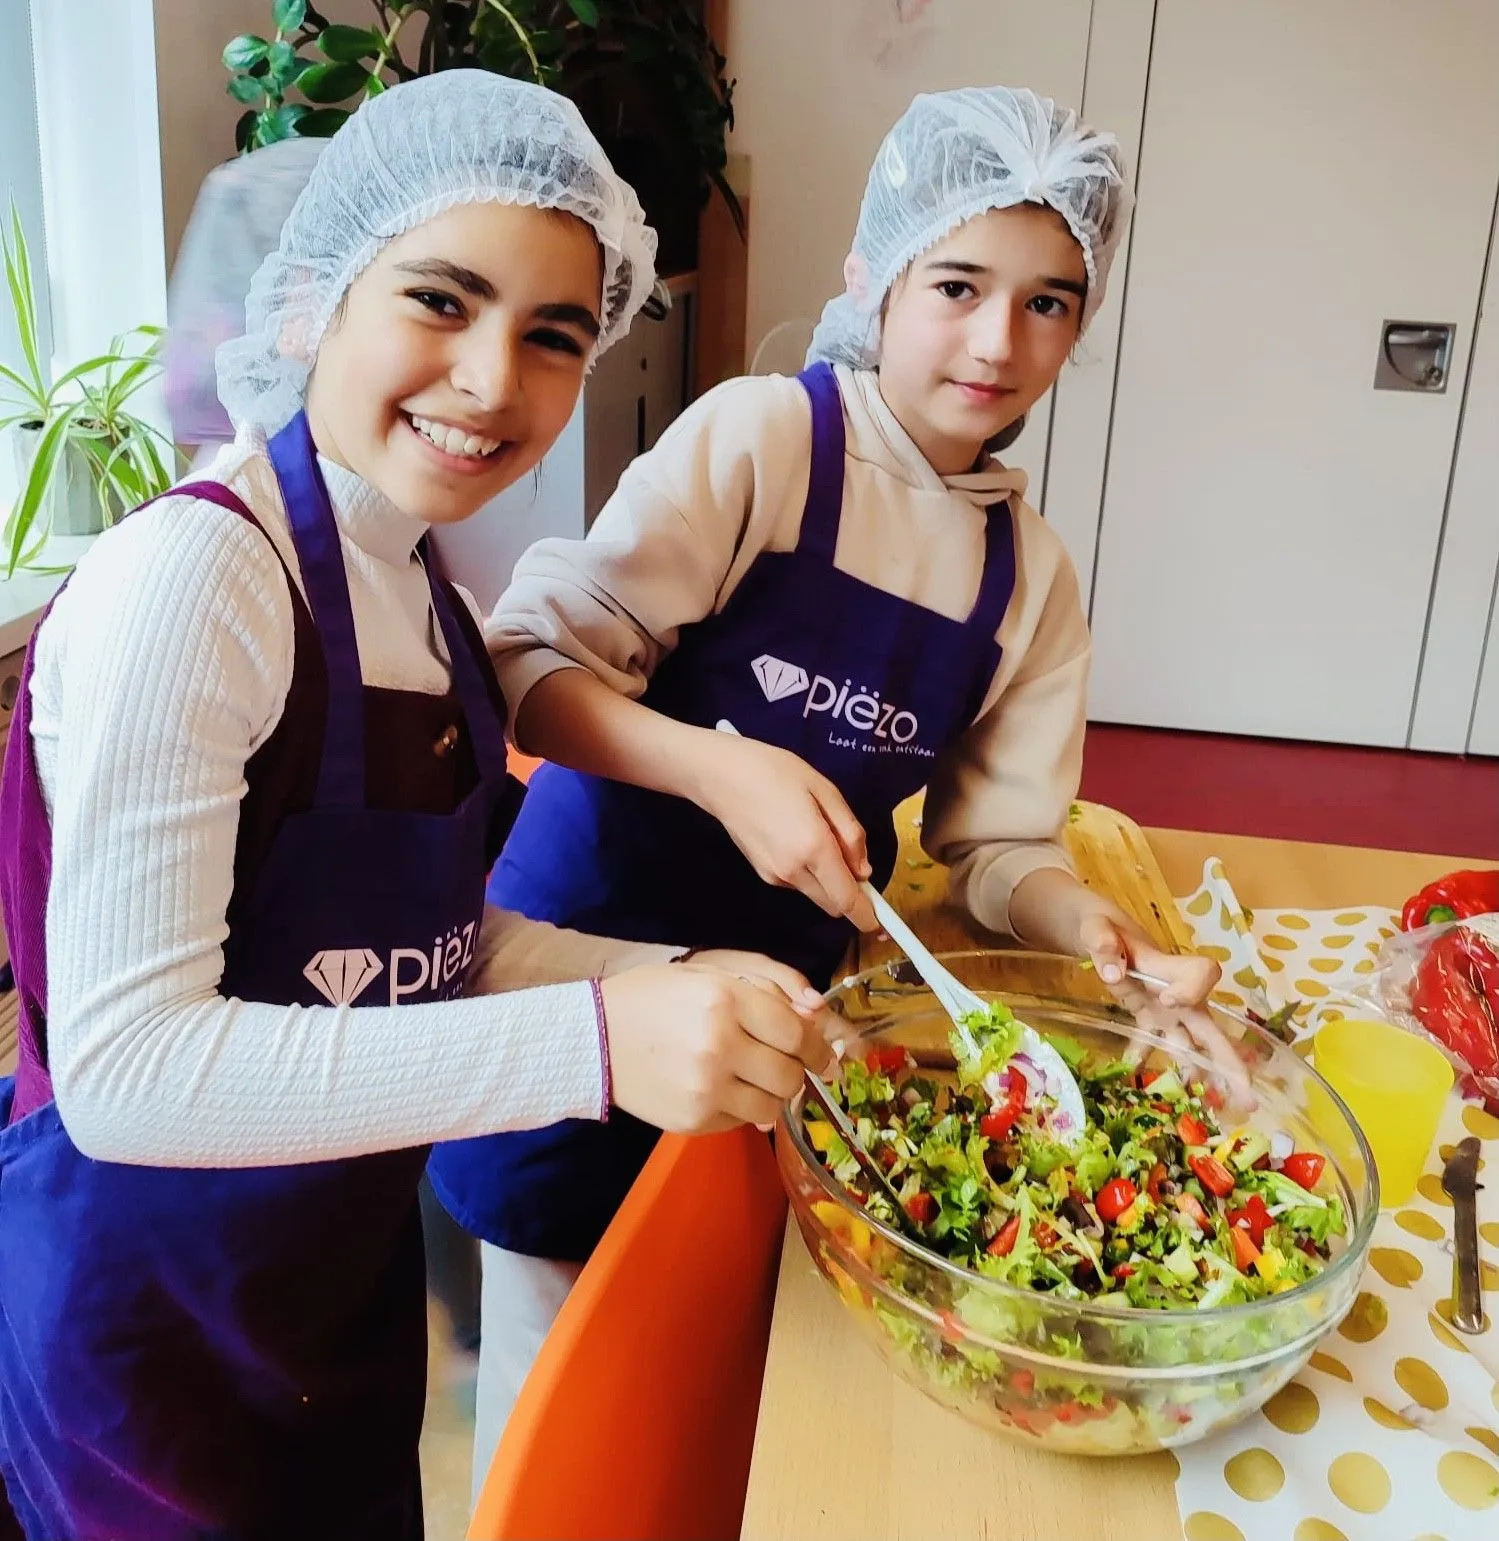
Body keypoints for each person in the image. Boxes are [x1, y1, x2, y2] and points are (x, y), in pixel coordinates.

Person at [0, 72, 831, 1541]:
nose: (493, 380)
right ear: (314, 297)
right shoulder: (197, 585)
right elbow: (129, 1074)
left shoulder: (423, 590)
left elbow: (423, 943)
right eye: (440, 300)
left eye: (554, 335)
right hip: (150, 1322)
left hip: (329, 1292)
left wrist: (672, 984)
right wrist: (594, 1043)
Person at [426, 84, 1236, 1476]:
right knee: (554, 1349)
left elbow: (999, 848)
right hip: (583, 969)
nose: (996, 341)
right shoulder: (764, 442)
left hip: (775, 1011)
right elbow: (533, 669)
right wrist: (719, 773)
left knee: (711, 1335)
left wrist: (1085, 926)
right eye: (958, 284)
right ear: (871, 276)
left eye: (1048, 302)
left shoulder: (1023, 580)